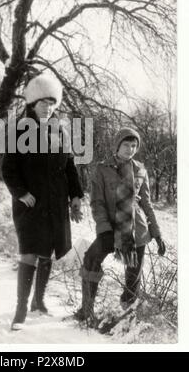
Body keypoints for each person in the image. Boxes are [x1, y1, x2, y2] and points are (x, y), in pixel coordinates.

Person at [2, 73, 84, 331]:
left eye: (52, 103)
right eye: (42, 103)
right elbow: (8, 169)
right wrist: (21, 193)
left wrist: (76, 197)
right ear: (32, 104)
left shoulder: (60, 130)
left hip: (56, 203)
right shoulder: (18, 130)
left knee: (47, 251)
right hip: (30, 204)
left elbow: (69, 167)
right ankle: (20, 310)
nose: (48, 108)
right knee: (29, 253)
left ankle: (39, 302)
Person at [74, 127, 166, 326]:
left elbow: (147, 204)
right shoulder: (102, 168)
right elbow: (97, 202)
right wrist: (104, 228)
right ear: (117, 145)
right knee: (91, 259)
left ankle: (125, 322)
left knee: (132, 280)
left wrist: (157, 233)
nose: (130, 149)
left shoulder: (140, 169)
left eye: (134, 146)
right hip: (110, 228)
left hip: (136, 231)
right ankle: (86, 310)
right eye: (126, 144)